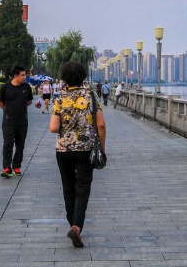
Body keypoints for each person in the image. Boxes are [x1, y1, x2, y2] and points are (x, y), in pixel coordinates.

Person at [49, 61, 106, 248]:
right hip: (85, 150)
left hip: (63, 150)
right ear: (83, 77)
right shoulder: (91, 96)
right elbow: (101, 125)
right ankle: (76, 226)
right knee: (83, 188)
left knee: (68, 188)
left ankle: (72, 225)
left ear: (64, 78)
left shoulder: (60, 98)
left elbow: (53, 127)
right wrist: (102, 148)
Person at [0, 66, 33, 178]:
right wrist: (8, 111)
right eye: (22, 75)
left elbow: (29, 101)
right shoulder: (5, 87)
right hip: (8, 122)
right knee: (8, 144)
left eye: (25, 75)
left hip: (22, 121)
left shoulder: (26, 87)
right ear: (16, 75)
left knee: (20, 145)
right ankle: (7, 168)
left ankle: (16, 166)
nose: (25, 77)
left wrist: (20, 108)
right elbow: (0, 102)